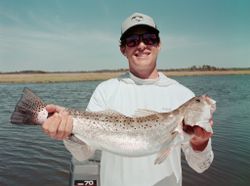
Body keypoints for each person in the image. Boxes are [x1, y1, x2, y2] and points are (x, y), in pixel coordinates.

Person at [42, 12, 214, 186]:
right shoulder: (105, 90)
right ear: (123, 49)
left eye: (149, 38)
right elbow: (83, 154)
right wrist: (68, 134)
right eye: (132, 40)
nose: (141, 45)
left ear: (159, 44)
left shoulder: (182, 94)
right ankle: (37, 114)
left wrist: (201, 142)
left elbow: (200, 166)